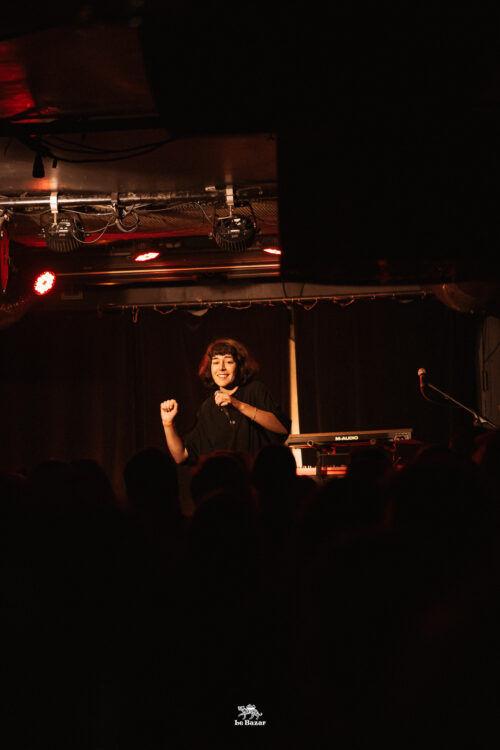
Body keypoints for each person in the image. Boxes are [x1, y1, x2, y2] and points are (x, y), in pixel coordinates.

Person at [160, 338, 291, 464]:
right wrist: (168, 423)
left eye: (228, 361)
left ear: (239, 366)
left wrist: (238, 404)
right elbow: (181, 456)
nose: (221, 368)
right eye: (216, 362)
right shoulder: (207, 408)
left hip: (253, 477)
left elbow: (283, 428)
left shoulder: (254, 390)